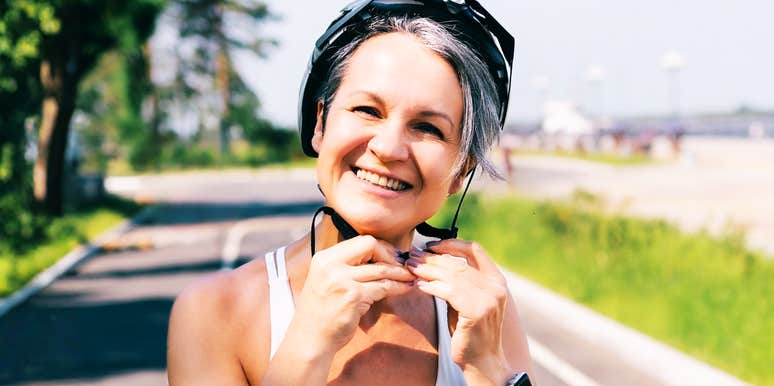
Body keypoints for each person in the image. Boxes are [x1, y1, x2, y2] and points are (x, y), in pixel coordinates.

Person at [167, 1, 534, 385]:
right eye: (367, 110)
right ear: (320, 124)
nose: (389, 148)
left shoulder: (483, 309)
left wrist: (489, 370)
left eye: (427, 127)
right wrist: (308, 346)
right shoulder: (214, 312)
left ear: (461, 171)